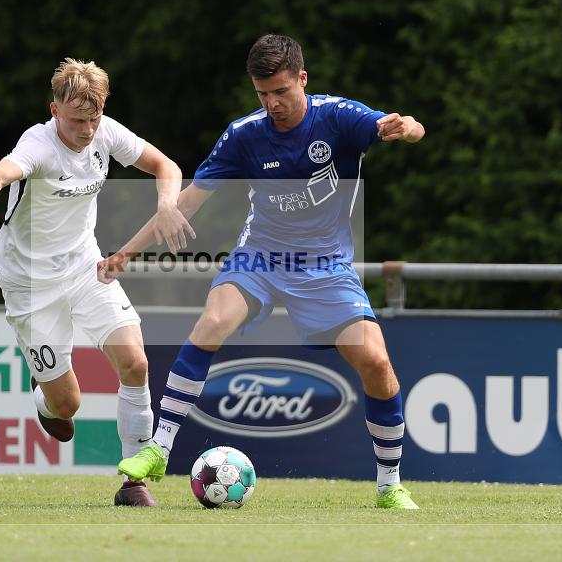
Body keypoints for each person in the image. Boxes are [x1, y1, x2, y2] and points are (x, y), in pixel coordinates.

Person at [99, 35, 425, 509]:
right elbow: (188, 200)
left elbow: (405, 127)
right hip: (262, 257)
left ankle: (389, 484)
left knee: (376, 362)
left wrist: (407, 128)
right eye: (262, 94)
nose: (272, 103)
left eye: (281, 92)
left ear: (302, 79)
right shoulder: (244, 134)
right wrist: (125, 252)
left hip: (325, 267)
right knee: (212, 322)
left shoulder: (337, 116)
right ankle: (159, 448)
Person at [0, 58, 194, 507]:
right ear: (54, 111)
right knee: (67, 407)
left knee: (136, 363)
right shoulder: (38, 143)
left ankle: (133, 482)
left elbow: (166, 166)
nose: (87, 131)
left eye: (94, 119)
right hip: (29, 285)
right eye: (77, 121)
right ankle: (47, 401)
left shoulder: (105, 131)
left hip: (88, 268)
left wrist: (166, 204)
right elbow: (3, 170)